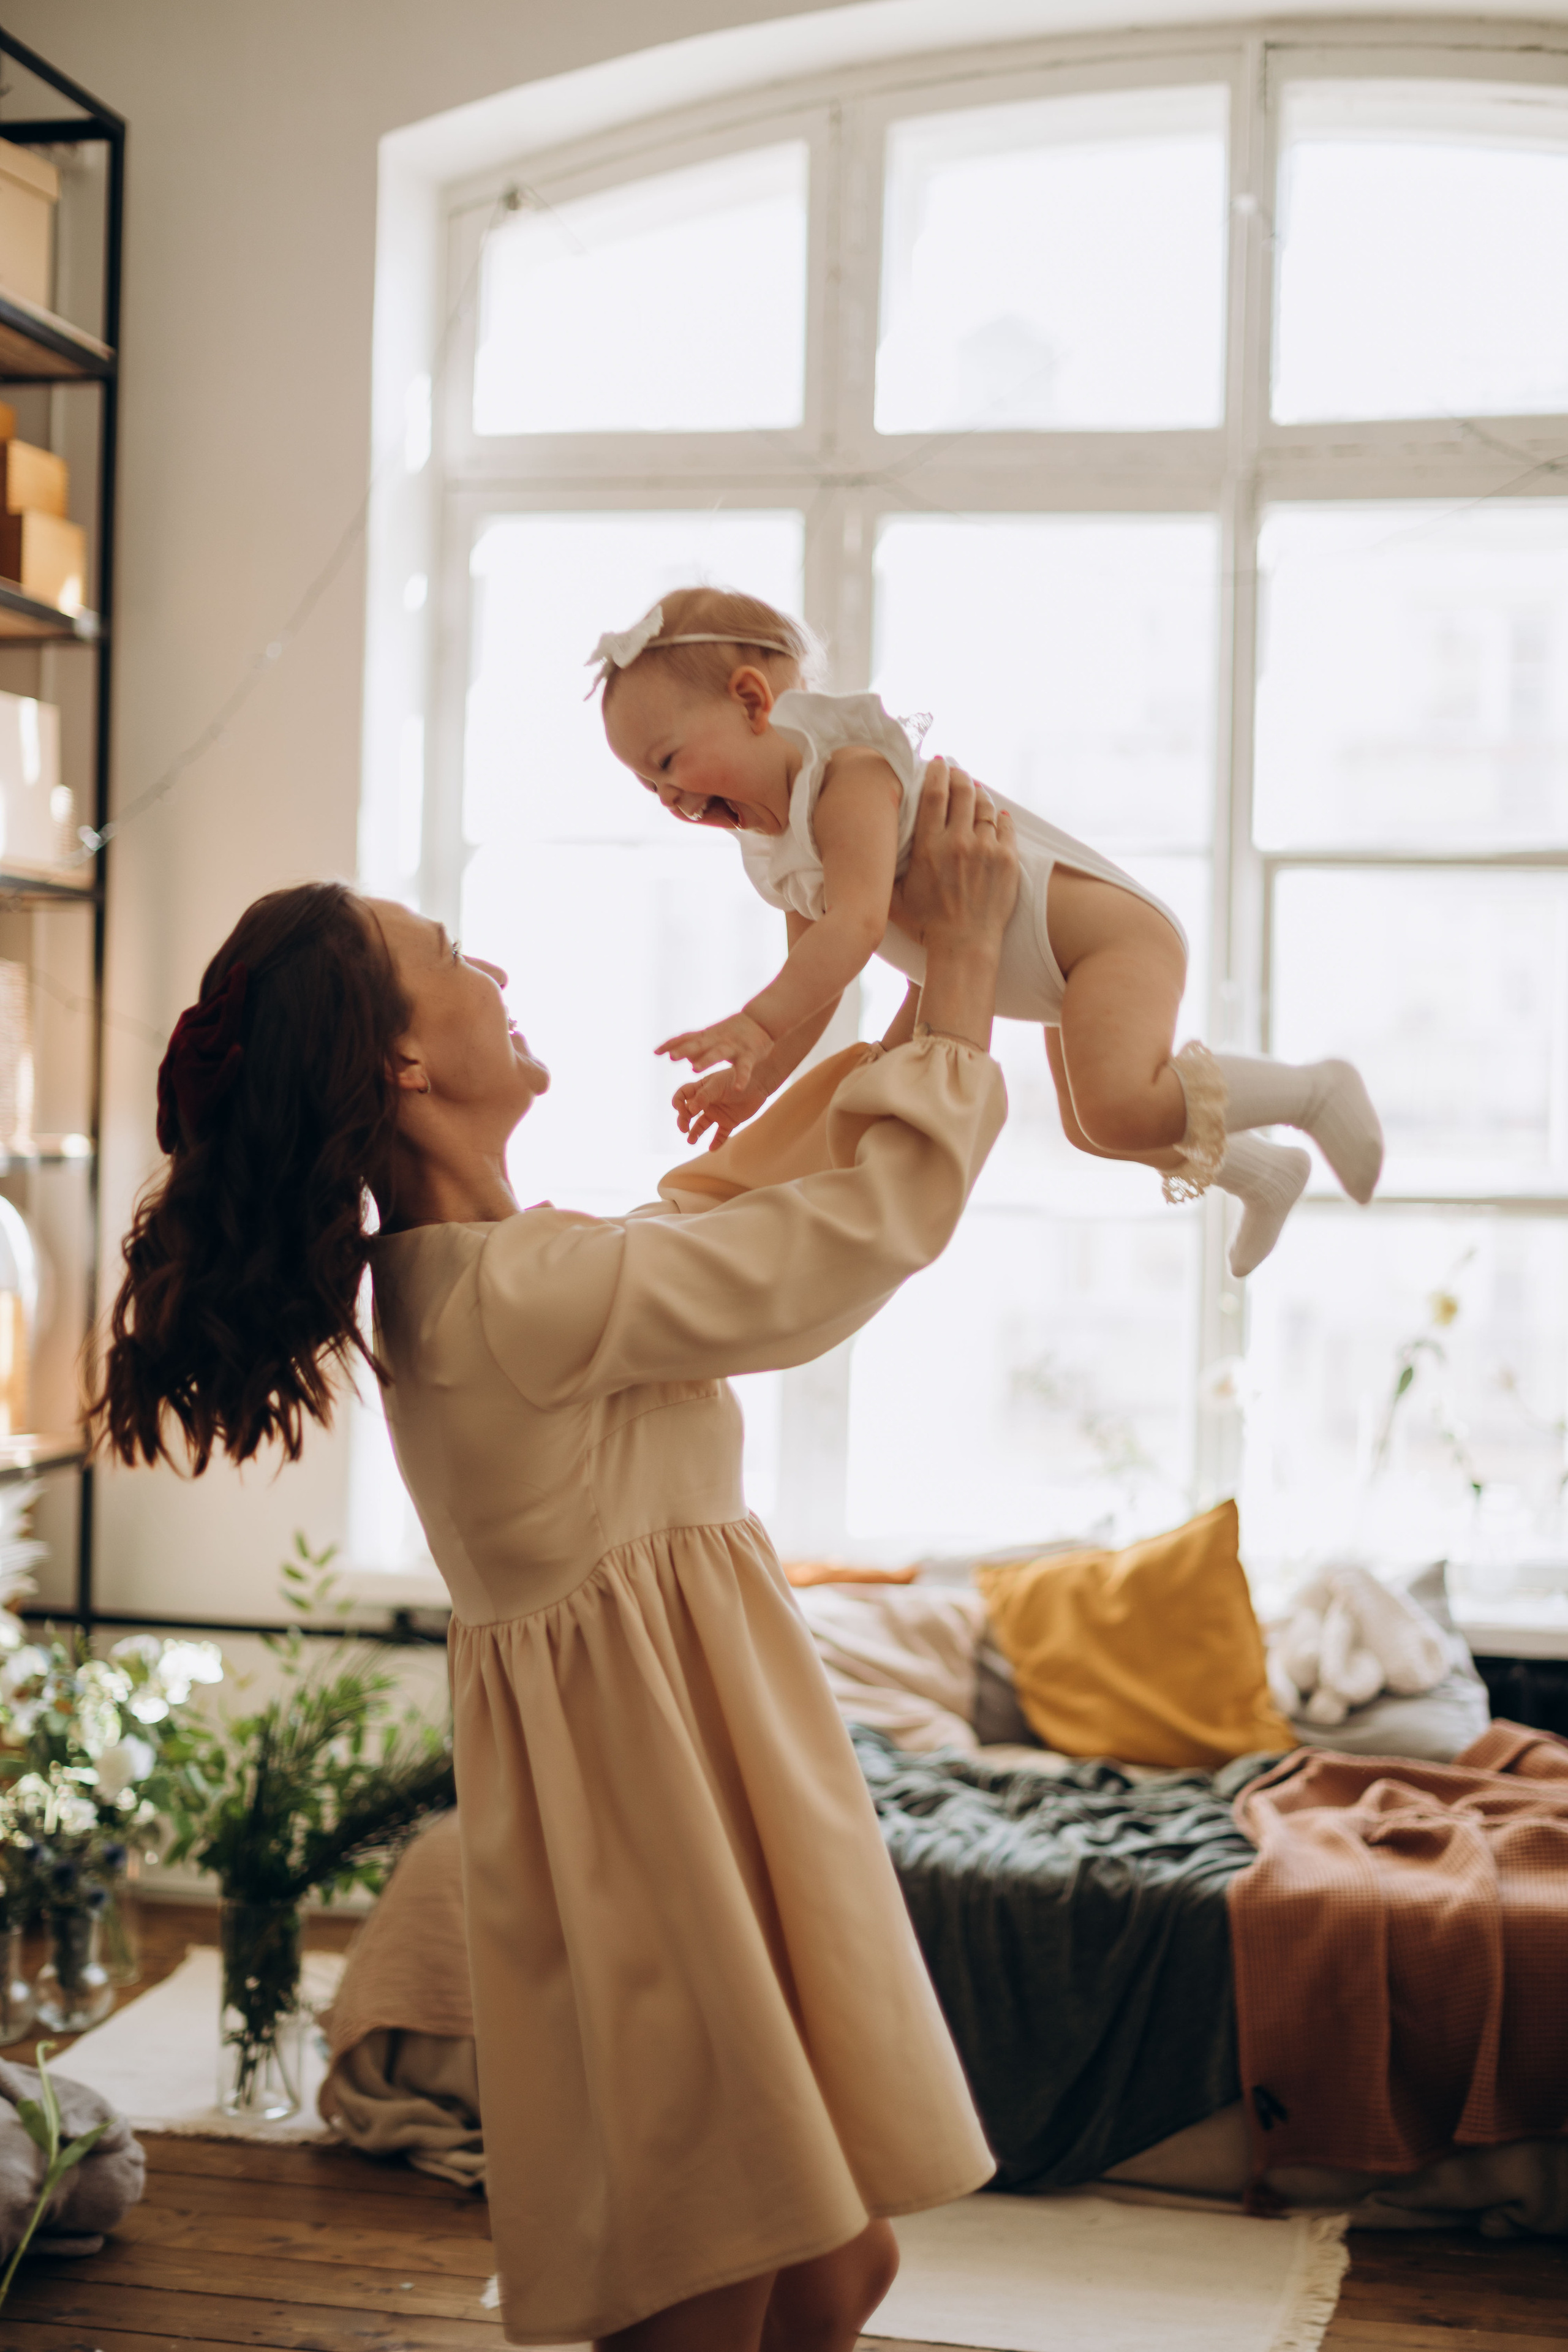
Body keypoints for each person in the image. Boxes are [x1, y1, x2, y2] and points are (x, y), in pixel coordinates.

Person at [92, 763, 1019, 2352]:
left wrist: (907, 994)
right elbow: (829, 1247)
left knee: (833, 2270)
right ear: (399, 1059)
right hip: (653, 1833)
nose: (497, 973)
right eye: (453, 955)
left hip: (669, 1799)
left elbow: (707, 1213)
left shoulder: (487, 1279)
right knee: (720, 2281)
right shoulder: (502, 1299)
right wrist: (968, 995)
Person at [595, 586, 1384, 1276]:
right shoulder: (781, 852)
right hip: (1035, 969)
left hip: (1101, 938)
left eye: (669, 761)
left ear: (752, 701)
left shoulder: (849, 777)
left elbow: (859, 926)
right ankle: (1263, 1175)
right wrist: (757, 1078)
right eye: (644, 783)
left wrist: (750, 1024)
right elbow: (817, 981)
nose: (666, 797)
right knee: (1093, 1130)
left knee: (1117, 1107)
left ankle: (1316, 1090)